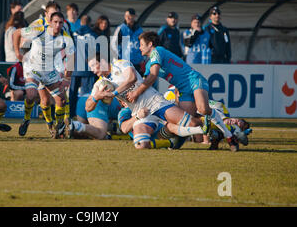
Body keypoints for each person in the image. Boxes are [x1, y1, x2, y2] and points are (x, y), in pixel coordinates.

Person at [126, 31, 240, 151]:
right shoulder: (149, 64)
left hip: (194, 80)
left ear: (150, 44)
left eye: (141, 44)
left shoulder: (157, 51)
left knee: (203, 109)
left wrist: (136, 93)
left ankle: (230, 136)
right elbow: (145, 84)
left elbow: (153, 76)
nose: (139, 47)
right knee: (189, 122)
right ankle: (216, 134)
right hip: (183, 90)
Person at [67, 52, 209, 142]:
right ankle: (171, 140)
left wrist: (114, 94)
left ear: (103, 61)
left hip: (154, 102)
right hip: (138, 112)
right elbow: (88, 106)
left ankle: (213, 125)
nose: (93, 70)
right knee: (141, 143)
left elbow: (132, 78)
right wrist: (96, 97)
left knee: (192, 123)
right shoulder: (100, 84)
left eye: (94, 65)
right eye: (91, 67)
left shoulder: (120, 64)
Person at [13, 11, 75, 138]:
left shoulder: (66, 38)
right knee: (31, 95)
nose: (58, 25)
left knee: (62, 99)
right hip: (33, 68)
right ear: (50, 22)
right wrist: (17, 53)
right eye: (55, 22)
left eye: (60, 22)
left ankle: (59, 127)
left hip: (49, 71)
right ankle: (26, 119)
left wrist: (67, 78)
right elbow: (16, 33)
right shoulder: (40, 29)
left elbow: (72, 58)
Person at [69, 13, 97, 119]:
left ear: (81, 22)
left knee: (72, 93)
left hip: (74, 69)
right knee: (86, 94)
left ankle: (71, 114)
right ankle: (84, 115)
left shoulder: (72, 34)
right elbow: (97, 52)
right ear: (90, 23)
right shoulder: (93, 35)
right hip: (87, 69)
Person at [111, 8, 144, 74]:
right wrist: (117, 59)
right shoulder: (121, 28)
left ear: (134, 16)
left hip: (137, 62)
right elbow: (113, 44)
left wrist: (143, 58)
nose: (128, 18)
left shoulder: (139, 30)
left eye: (130, 16)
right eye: (126, 16)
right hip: (125, 63)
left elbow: (143, 44)